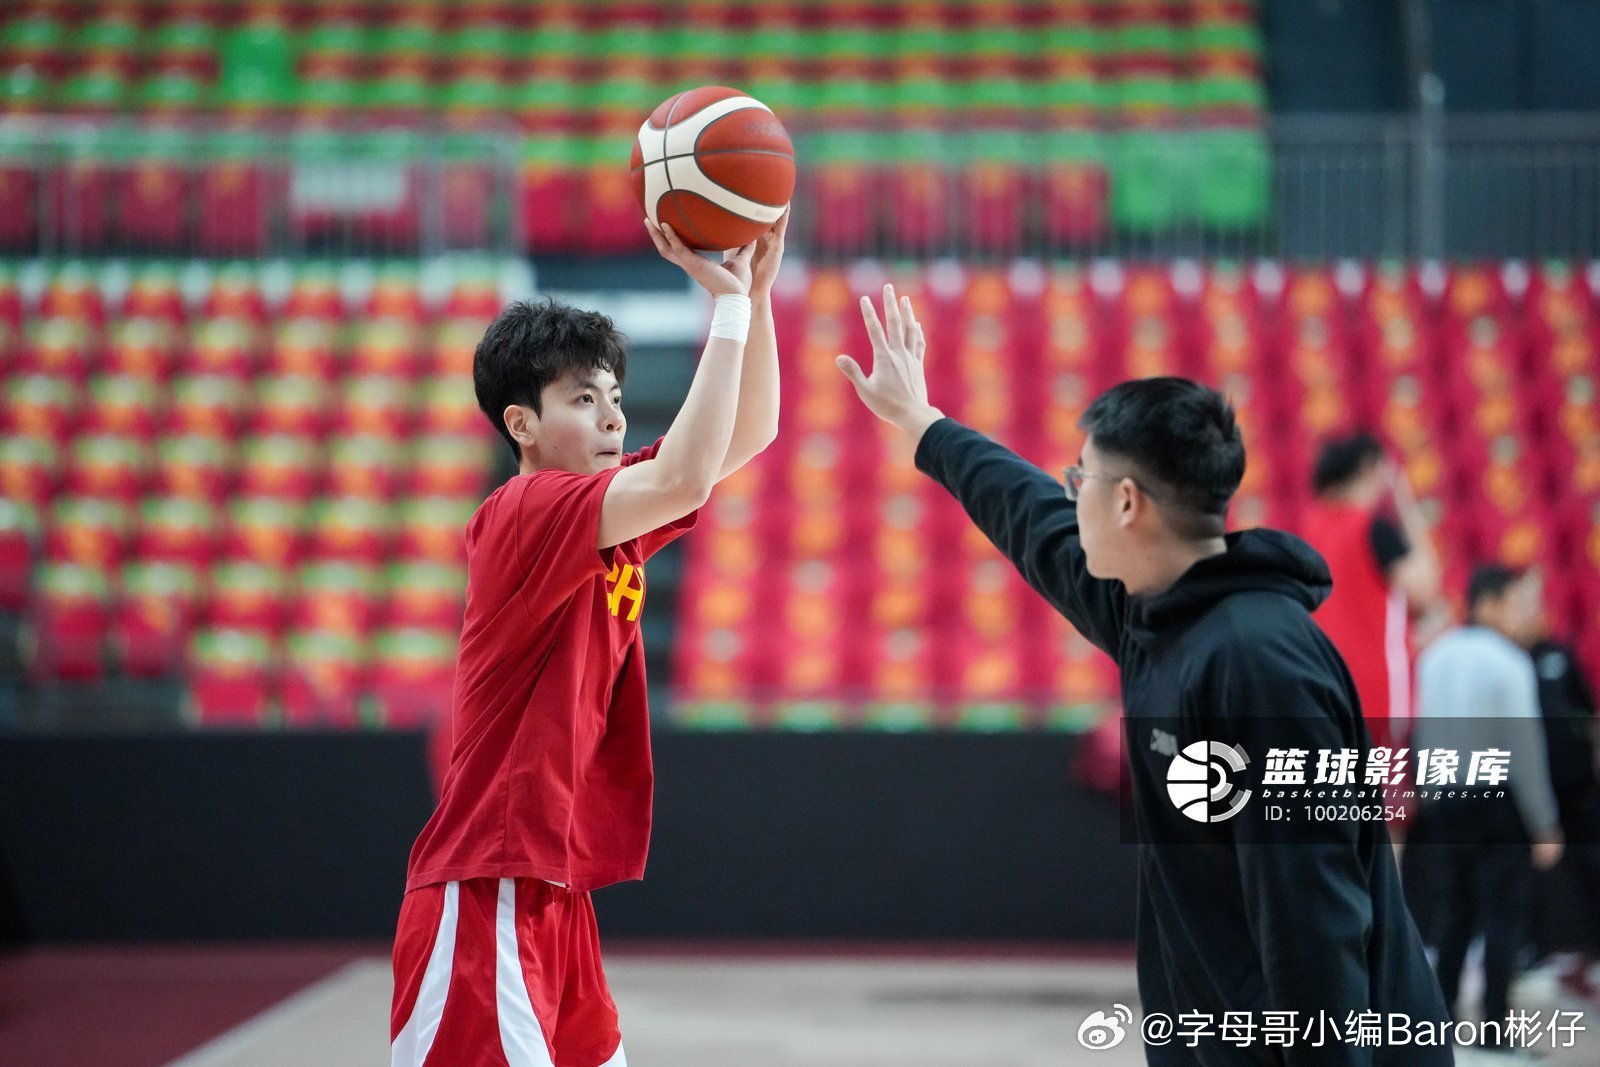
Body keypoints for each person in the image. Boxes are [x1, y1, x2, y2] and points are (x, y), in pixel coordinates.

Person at [836, 286, 1451, 1064]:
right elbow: (1035, 520)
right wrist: (924, 424)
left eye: (1081, 479)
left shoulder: (1259, 664)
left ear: (1127, 502)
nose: (1070, 496)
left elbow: (1315, 930)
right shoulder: (1157, 613)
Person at [389, 213, 786, 1067]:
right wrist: (723, 309)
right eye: (582, 399)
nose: (612, 417)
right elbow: (687, 473)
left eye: (613, 397)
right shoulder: (526, 509)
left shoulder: (608, 518)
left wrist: (753, 297)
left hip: (553, 890)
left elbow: (746, 434)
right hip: (485, 885)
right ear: (521, 424)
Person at [1412, 564, 1564, 1047]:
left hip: (1446, 799)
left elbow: (1422, 733)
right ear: (1488, 603)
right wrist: (1544, 822)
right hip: (1498, 802)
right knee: (1501, 917)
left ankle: (1439, 1019)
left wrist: (1430, 796)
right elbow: (1525, 749)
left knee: (1452, 913)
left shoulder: (1435, 656)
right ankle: (1495, 1028)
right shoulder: (1509, 662)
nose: (1525, 614)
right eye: (1517, 603)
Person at [1301, 432, 1443, 749]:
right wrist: (1404, 503)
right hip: (1376, 691)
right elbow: (1427, 589)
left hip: (1326, 688)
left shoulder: (1312, 529)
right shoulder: (1370, 527)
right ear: (1371, 467)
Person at [1525, 595, 1600, 1002]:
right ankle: (1537, 952)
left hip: (1578, 785)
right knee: (1536, 873)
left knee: (1590, 863)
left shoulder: (1561, 655)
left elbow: (1587, 711)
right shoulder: (1513, 658)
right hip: (1534, 786)